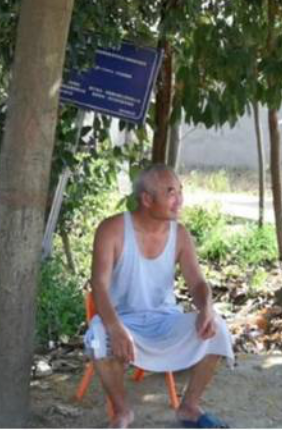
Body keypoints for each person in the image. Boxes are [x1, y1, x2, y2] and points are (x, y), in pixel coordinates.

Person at [84, 164, 234, 428]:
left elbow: (197, 283)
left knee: (217, 329)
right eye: (171, 193)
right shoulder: (112, 229)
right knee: (98, 336)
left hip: (165, 320)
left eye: (180, 191)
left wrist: (206, 309)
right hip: (122, 320)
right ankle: (122, 412)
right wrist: (115, 327)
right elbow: (99, 285)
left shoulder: (180, 235)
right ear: (147, 199)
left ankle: (189, 407)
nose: (180, 200)